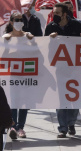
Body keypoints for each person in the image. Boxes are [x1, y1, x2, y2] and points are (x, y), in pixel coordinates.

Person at [44, 3, 81, 138]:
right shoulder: (50, 27)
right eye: (53, 13)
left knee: (75, 97)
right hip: (60, 68)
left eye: (57, 13)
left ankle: (71, 123)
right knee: (62, 98)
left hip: (77, 68)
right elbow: (43, 45)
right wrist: (49, 39)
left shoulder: (77, 25)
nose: (54, 15)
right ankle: (62, 128)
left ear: (64, 14)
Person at [3, 12, 34, 140]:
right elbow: (3, 56)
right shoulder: (6, 36)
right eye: (16, 20)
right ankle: (13, 127)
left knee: (24, 102)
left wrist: (31, 39)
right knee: (13, 101)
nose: (19, 22)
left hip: (26, 74)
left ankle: (21, 127)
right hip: (12, 74)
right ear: (11, 22)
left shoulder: (27, 36)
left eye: (21, 20)